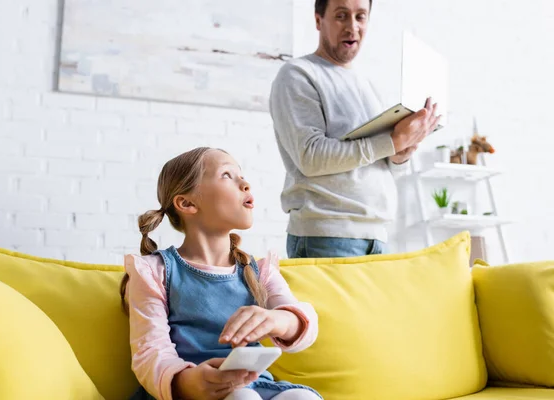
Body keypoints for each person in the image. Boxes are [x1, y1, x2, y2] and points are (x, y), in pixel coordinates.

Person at [120, 147, 321, 400]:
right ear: (187, 203)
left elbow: (305, 324)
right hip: (189, 392)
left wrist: (277, 320)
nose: (245, 184)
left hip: (254, 387)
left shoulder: (259, 271)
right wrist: (188, 382)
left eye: (242, 175)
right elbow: (150, 352)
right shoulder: (153, 271)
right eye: (227, 175)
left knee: (302, 398)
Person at [269, 0, 441, 258]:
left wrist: (402, 151)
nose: (353, 27)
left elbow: (382, 166)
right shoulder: (298, 74)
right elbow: (311, 157)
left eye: (361, 17)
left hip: (377, 238)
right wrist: (392, 142)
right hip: (327, 237)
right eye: (341, 16)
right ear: (318, 20)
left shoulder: (367, 85)